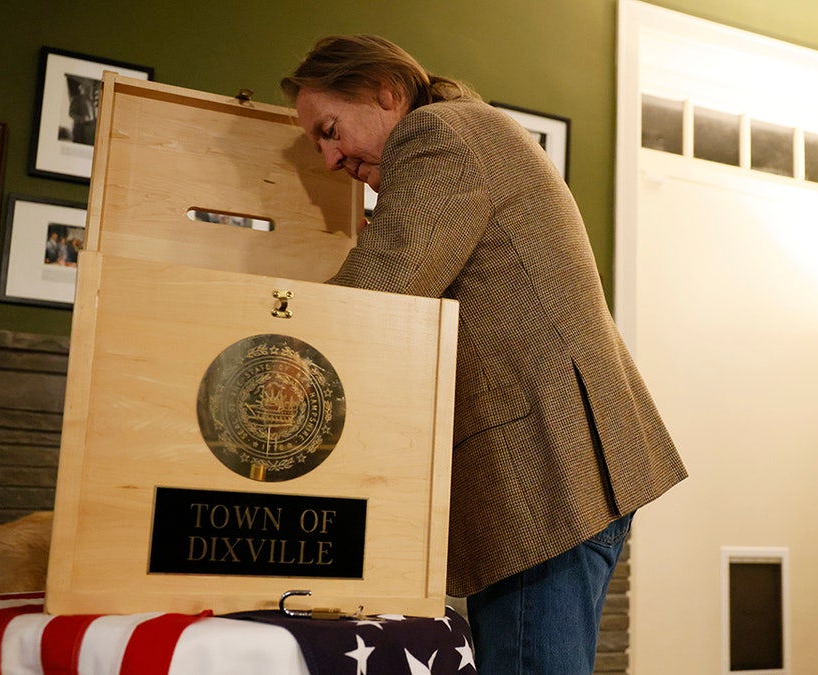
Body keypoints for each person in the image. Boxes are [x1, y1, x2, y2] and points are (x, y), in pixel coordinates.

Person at [282, 35, 687, 674]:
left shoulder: (440, 135)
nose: (331, 158)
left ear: (385, 93)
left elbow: (375, 295)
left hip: (545, 476)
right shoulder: (465, 132)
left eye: (330, 130)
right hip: (560, 473)